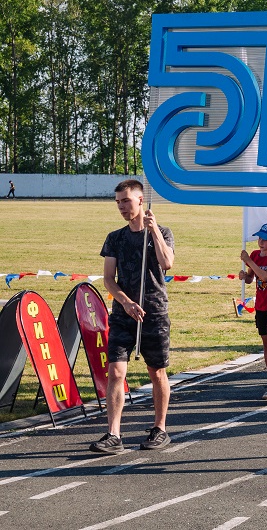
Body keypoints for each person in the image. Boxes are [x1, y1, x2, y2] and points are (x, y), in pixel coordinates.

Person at [90, 179, 175, 454]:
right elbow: (108, 279)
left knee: (156, 371)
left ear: (141, 200)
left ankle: (159, 428)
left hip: (154, 311)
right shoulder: (114, 238)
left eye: (126, 201)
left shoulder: (162, 232)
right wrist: (125, 302)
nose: (122, 207)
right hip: (123, 313)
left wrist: (155, 232)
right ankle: (113, 433)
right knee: (115, 371)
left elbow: (167, 263)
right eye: (118, 202)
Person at [240, 223, 267, 402]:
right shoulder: (255, 255)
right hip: (261, 305)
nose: (261, 242)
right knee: (266, 343)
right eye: (259, 238)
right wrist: (246, 276)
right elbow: (253, 278)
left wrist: (249, 262)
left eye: (265, 239)